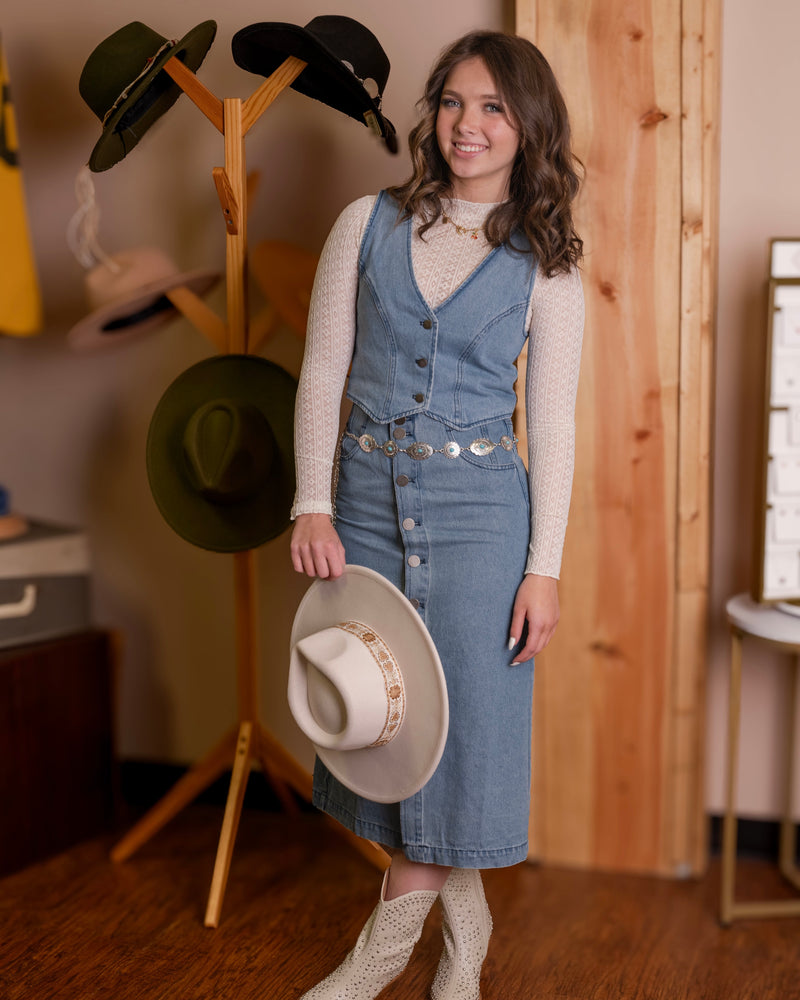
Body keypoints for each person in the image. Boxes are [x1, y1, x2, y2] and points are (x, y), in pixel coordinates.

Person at [289, 28, 584, 1000]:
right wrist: (313, 501)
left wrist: (543, 566)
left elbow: (552, 424)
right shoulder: (363, 223)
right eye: (453, 102)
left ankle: (381, 951)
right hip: (365, 505)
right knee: (384, 723)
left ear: (527, 126)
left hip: (479, 518)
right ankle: (466, 922)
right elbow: (324, 369)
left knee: (459, 730)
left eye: (493, 107)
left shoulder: (547, 264)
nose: (468, 124)